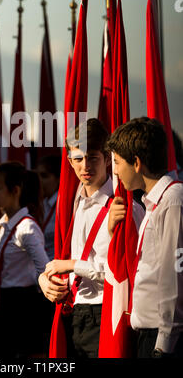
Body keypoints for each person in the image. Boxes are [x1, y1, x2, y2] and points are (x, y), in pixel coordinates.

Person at [38, 118, 144, 358]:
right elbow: (63, 259)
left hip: (106, 313)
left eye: (92, 157)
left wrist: (72, 265)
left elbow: (125, 273)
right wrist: (45, 280)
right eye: (78, 158)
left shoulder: (124, 207)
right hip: (73, 313)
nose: (85, 166)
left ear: (108, 159)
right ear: (69, 162)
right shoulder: (71, 205)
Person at [107, 117, 183, 358]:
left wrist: (163, 345)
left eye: (117, 163)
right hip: (148, 336)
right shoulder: (153, 203)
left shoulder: (173, 201)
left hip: (162, 340)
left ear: (137, 163)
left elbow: (174, 277)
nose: (116, 172)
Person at [0, 161, 49, 358]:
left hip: (23, 306)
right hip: (6, 302)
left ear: (15, 191)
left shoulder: (27, 228)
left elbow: (44, 270)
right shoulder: (4, 223)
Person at [36, 154, 61, 261]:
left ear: (58, 178)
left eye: (44, 176)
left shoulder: (63, 206)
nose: (39, 181)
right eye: (38, 176)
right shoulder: (42, 203)